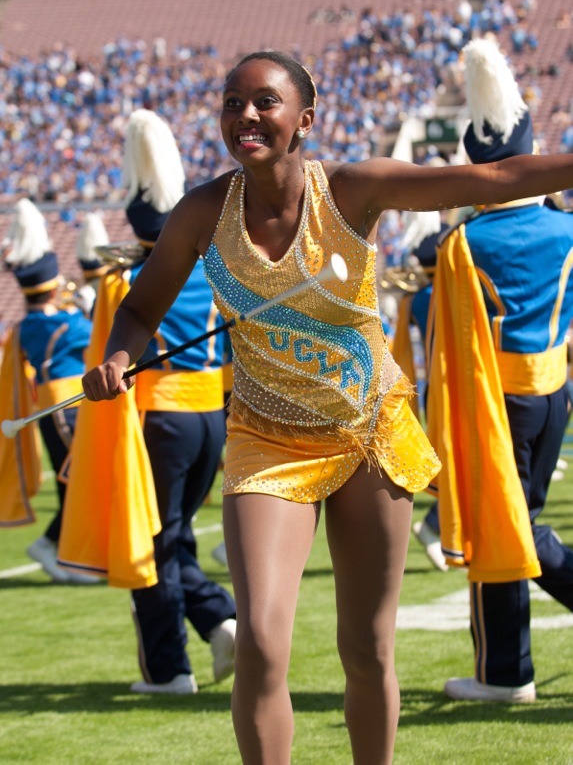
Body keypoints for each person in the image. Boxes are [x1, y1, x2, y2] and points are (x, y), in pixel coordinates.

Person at [81, 50, 573, 764]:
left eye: (264, 102)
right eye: (230, 102)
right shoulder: (198, 212)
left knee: (367, 647)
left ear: (304, 119)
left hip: (368, 436)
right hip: (264, 440)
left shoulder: (350, 189)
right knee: (259, 640)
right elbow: (140, 311)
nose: (244, 115)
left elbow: (490, 178)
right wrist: (120, 357)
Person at [425, 38, 573, 704]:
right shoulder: (566, 230)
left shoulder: (463, 242)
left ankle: (503, 672)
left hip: (497, 403)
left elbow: (448, 349)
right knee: (525, 519)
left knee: (497, 525)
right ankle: (503, 669)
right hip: (553, 392)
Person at [86, 109, 236, 694]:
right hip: (208, 418)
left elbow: (106, 361)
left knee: (150, 540)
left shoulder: (124, 283)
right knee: (175, 535)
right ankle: (219, 619)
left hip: (159, 419)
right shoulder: (211, 271)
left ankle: (169, 667)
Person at [2, 198, 98, 584]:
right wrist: (90, 307)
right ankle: (54, 545)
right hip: (62, 405)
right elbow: (95, 334)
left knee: (72, 479)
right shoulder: (47, 324)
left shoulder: (39, 321)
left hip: (62, 402)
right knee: (76, 478)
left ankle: (68, 552)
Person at [391, 210, 450, 572]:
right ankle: (435, 525)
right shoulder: (443, 292)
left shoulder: (414, 299)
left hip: (433, 388)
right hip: (456, 388)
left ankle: (441, 527)